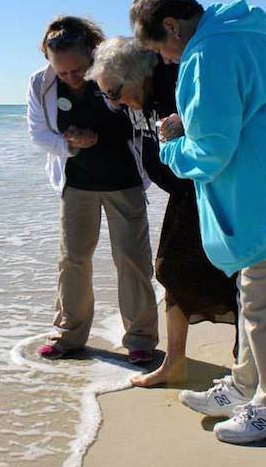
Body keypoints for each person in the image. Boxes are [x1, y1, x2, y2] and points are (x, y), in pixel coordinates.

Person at [130, 0, 266, 444]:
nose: (164, 60)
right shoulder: (242, 36)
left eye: (159, 48)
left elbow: (210, 154)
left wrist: (169, 146)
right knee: (256, 300)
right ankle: (246, 386)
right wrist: (190, 120)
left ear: (172, 26)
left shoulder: (210, 55)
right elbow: (246, 111)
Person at [87, 37, 238, 387]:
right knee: (170, 271)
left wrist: (185, 125)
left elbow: (221, 125)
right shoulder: (133, 98)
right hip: (182, 195)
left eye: (114, 92)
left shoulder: (176, 83)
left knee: (233, 278)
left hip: (214, 190)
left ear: (137, 74)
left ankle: (244, 367)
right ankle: (174, 362)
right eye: (106, 94)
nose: (114, 102)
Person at [26, 16, 159, 362]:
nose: (70, 78)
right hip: (77, 183)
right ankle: (68, 334)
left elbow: (141, 113)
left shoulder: (115, 68)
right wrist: (70, 144)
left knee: (131, 259)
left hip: (124, 179)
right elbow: (38, 132)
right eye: (62, 72)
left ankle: (141, 339)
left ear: (92, 53)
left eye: (78, 70)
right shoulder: (41, 84)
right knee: (73, 259)